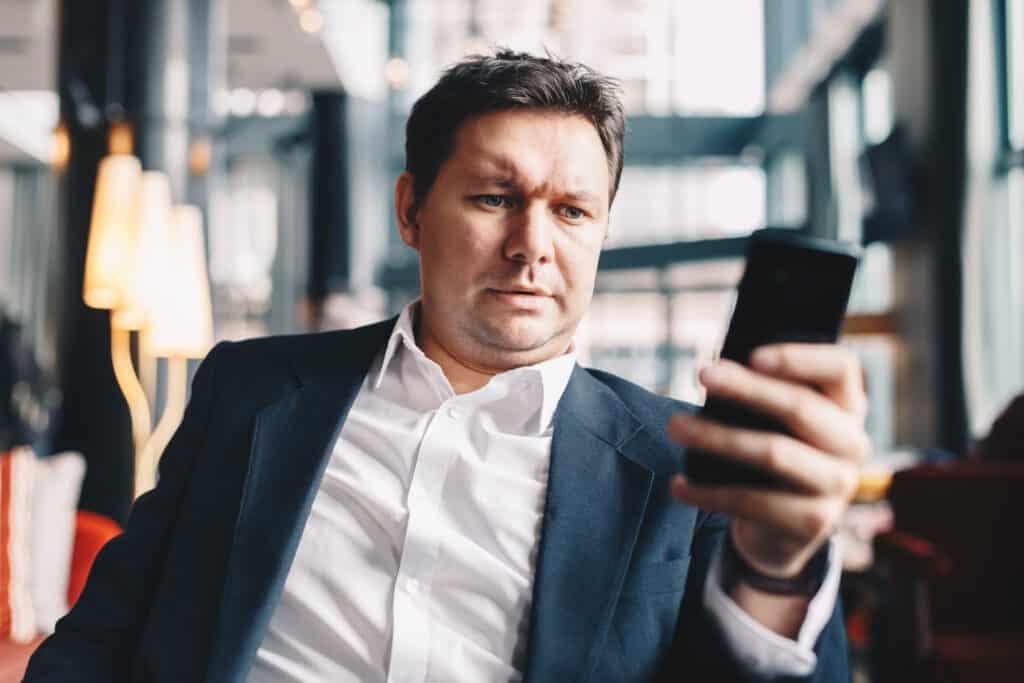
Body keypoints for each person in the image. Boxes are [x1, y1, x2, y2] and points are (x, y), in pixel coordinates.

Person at [25, 50, 868, 682]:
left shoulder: (682, 466)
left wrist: (776, 569)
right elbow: (103, 634)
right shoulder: (252, 392)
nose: (533, 244)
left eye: (572, 210)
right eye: (495, 198)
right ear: (410, 211)